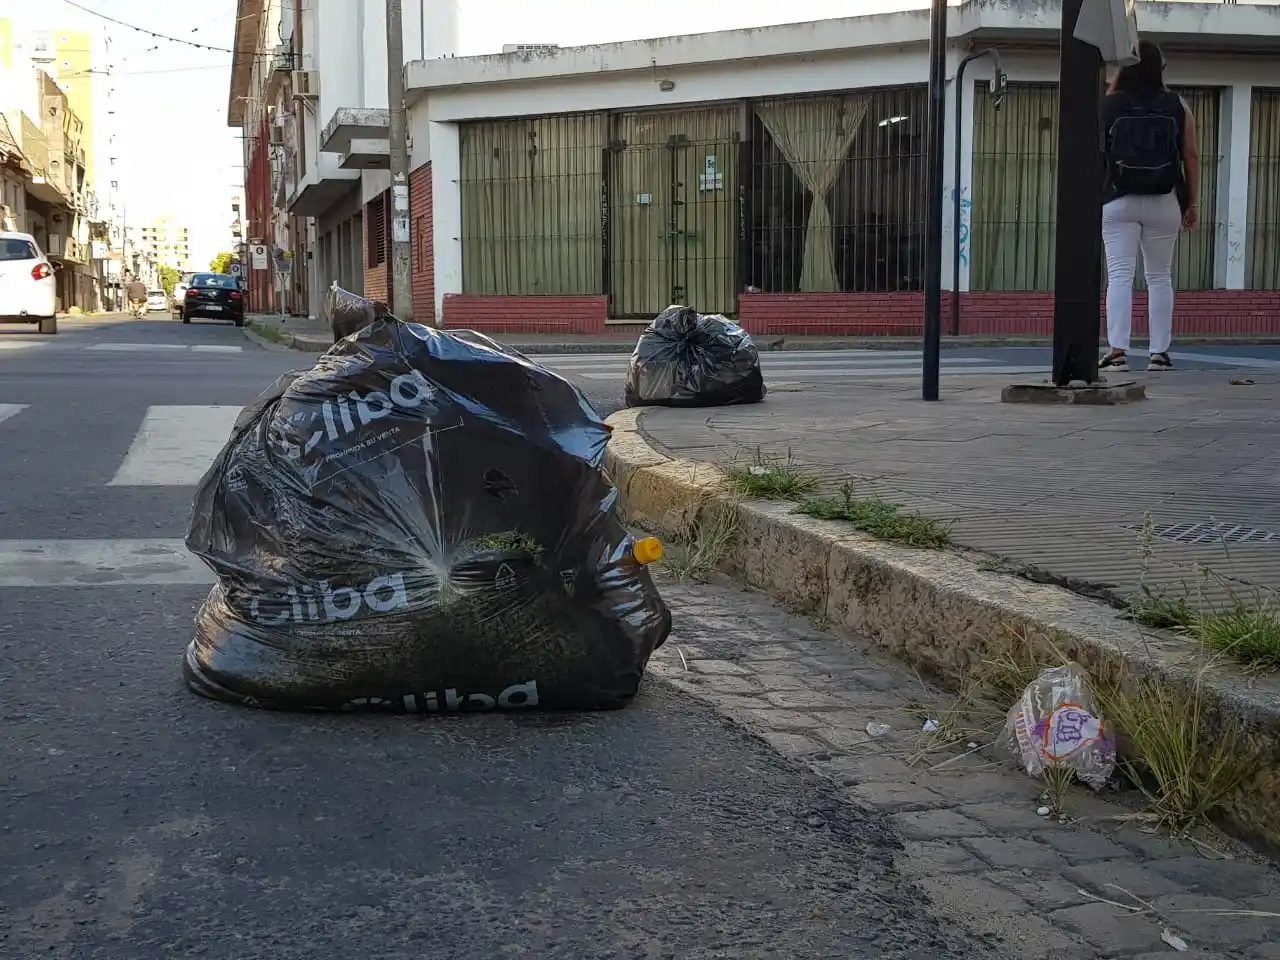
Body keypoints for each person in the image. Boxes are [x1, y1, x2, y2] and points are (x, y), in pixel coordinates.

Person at [1097, 40, 1198, 374]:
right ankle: (1159, 353)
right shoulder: (1177, 105)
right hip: (1164, 199)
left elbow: (1097, 150)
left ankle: (1117, 352)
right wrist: (1191, 201)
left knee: (1119, 276)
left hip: (1118, 199)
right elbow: (1190, 154)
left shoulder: (1110, 104)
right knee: (1159, 276)